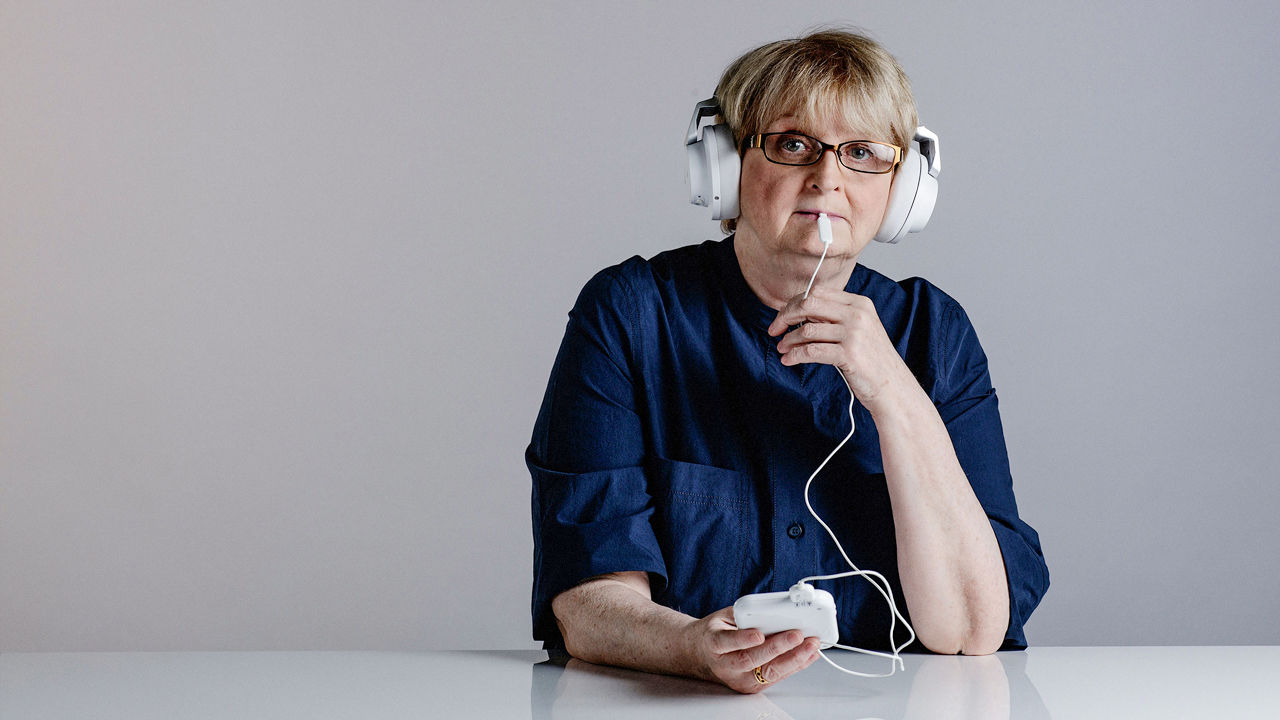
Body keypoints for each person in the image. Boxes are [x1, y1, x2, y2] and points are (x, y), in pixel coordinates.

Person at [527, 29, 1049, 694]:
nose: (828, 178)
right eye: (793, 144)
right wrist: (691, 649)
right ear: (724, 166)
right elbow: (587, 606)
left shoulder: (934, 334)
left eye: (862, 152)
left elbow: (971, 630)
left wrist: (894, 392)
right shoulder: (630, 314)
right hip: (687, 704)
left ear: (903, 187)